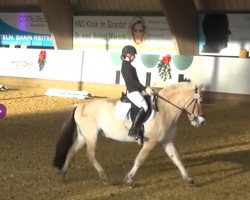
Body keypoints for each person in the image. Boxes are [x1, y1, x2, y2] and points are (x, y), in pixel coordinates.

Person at [120, 45, 154, 138]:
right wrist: (145, 88)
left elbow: (136, 82)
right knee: (144, 107)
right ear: (128, 55)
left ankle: (141, 129)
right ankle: (133, 129)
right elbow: (132, 82)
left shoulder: (128, 65)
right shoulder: (126, 66)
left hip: (135, 90)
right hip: (132, 91)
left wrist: (144, 89)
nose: (134, 57)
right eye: (134, 55)